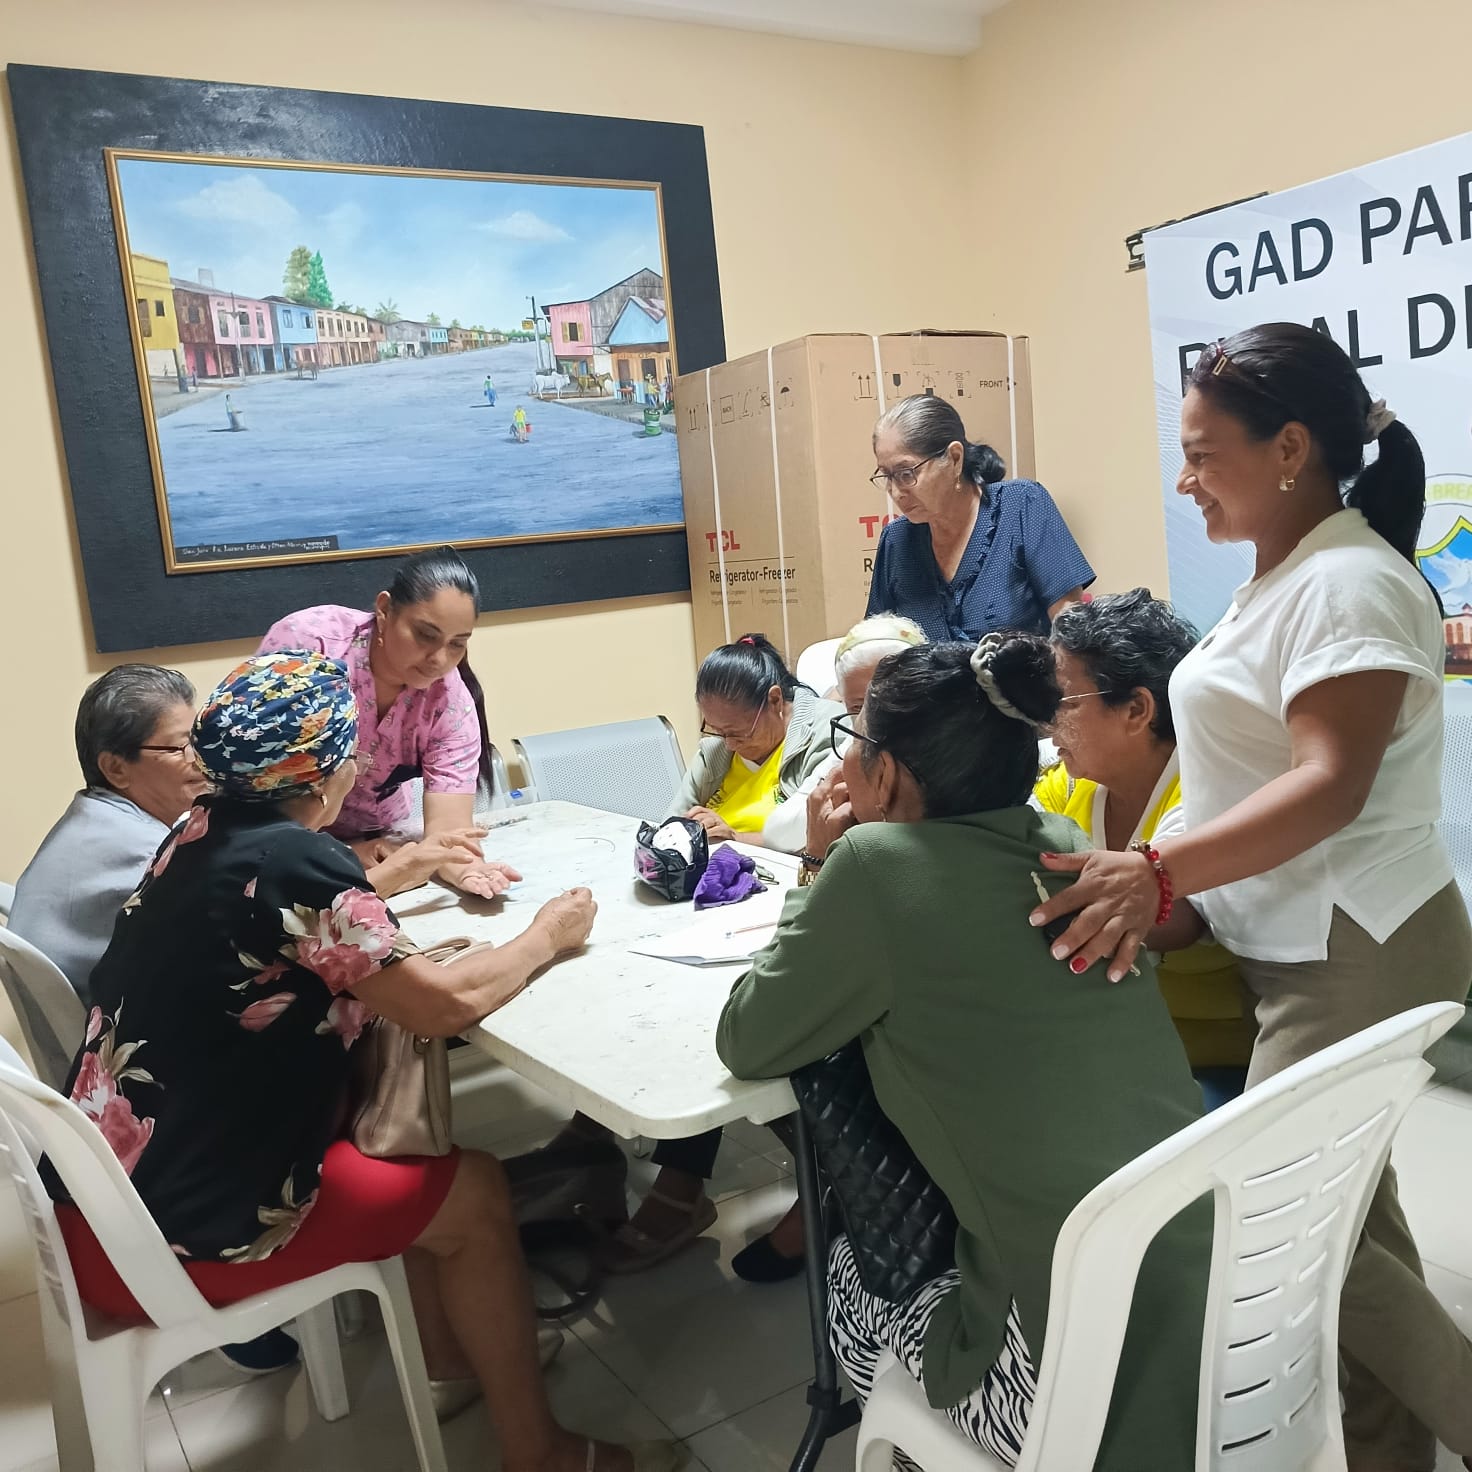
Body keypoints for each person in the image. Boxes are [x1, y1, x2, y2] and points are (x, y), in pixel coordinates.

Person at [43, 652, 680, 1472]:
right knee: (474, 1190)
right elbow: (441, 1005)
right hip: (179, 1229)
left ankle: (452, 1365)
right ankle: (543, 1453)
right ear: (325, 776)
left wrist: (403, 871)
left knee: (407, 1150)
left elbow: (309, 934)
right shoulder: (294, 861)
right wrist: (548, 934)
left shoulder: (199, 829)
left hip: (106, 1187)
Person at [1029, 322, 1472, 1471]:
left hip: (1354, 942)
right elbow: (1236, 775)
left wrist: (1160, 868)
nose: (1183, 480)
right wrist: (1157, 871)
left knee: (1284, 1219)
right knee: (1350, 1227)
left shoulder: (1349, 581)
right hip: (1293, 939)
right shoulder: (1280, 578)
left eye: (1199, 454)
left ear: (1287, 447)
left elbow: (1326, 784)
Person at [715, 637, 1210, 1468]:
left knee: (846, 1279)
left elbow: (748, 1037)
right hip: (1216, 1323)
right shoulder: (1062, 838)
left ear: (887, 774)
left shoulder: (874, 864)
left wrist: (816, 862)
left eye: (855, 741)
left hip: (1067, 1389)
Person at [1035, 589, 1256, 1108]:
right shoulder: (1069, 786)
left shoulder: (1206, 791)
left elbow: (1177, 918)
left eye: (1064, 704)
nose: (1048, 724)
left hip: (1219, 1064)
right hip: (1116, 1049)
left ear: (1136, 709)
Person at [258, 546, 519, 900]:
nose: (439, 659)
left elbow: (449, 830)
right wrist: (341, 855)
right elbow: (256, 779)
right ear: (384, 610)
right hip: (276, 844)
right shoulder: (309, 644)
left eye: (457, 644)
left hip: (379, 840)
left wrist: (465, 867)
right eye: (426, 635)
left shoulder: (450, 702)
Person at [11, 665, 207, 1005]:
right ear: (116, 768)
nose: (202, 760)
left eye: (199, 741)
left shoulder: (93, 815)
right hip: (115, 1030)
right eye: (182, 748)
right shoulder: (147, 854)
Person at [865, 395, 1094, 640]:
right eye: (887, 476)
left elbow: (1071, 633)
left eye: (906, 473)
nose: (896, 492)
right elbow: (875, 642)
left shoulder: (1021, 504)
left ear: (954, 459)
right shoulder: (897, 540)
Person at [763, 616, 926, 899]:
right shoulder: (848, 751)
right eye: (857, 707)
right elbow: (777, 833)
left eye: (887, 702)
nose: (870, 721)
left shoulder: (945, 754)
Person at [673, 633, 841, 851]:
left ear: (775, 700)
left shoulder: (828, 734)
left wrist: (736, 839)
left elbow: (822, 839)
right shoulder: (715, 752)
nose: (729, 745)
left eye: (739, 733)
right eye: (717, 731)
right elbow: (672, 822)